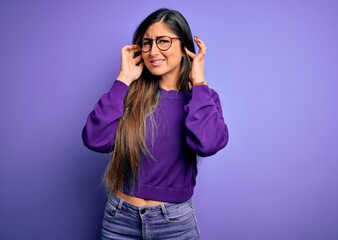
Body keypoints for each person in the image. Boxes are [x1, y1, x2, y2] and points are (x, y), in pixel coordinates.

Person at [82, 8, 229, 240]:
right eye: (147, 43)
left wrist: (199, 83)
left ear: (184, 47)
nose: (153, 51)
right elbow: (95, 139)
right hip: (119, 219)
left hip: (174, 223)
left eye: (163, 41)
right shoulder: (127, 94)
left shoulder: (203, 98)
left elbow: (208, 145)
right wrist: (123, 79)